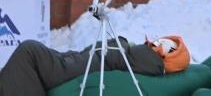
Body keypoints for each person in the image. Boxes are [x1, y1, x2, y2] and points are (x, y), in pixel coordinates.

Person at [0, 34, 189, 96]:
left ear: (168, 56)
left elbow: (119, 55)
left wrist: (125, 43)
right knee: (25, 60)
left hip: (71, 69)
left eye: (166, 44)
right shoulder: (146, 57)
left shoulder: (152, 61)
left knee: (29, 51)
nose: (156, 41)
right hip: (76, 61)